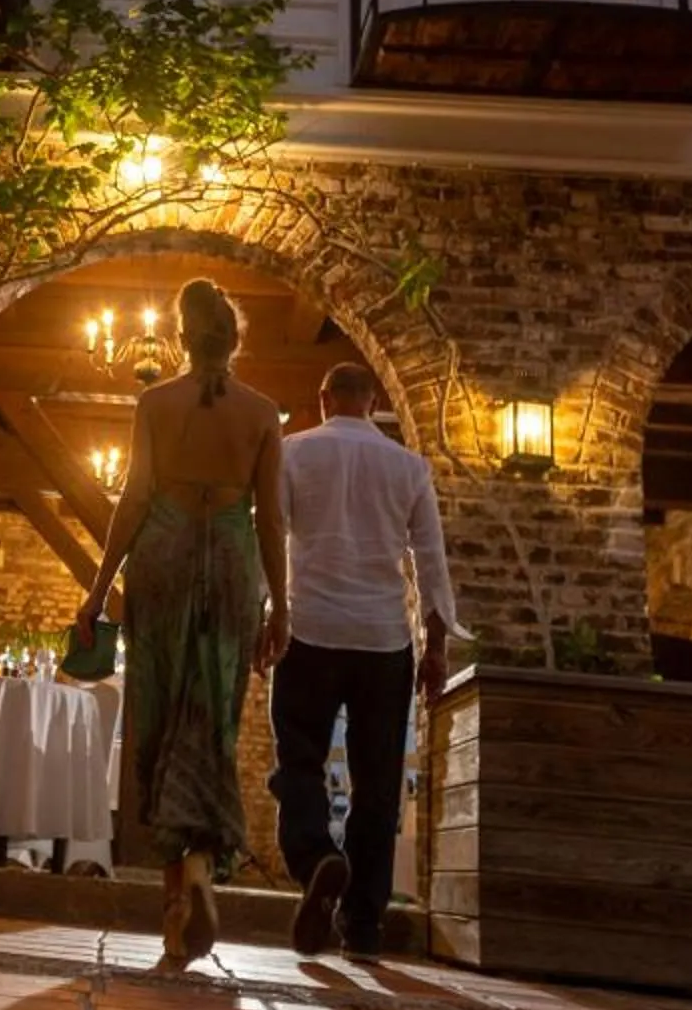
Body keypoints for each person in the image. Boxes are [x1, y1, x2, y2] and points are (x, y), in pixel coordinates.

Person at [72, 277, 288, 970]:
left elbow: (134, 499)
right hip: (230, 556)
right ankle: (199, 868)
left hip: (162, 554)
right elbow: (272, 519)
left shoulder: (154, 403)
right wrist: (281, 604)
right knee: (213, 721)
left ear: (181, 339)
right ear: (234, 339)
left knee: (161, 721)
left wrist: (97, 590)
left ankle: (175, 908)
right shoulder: (262, 414)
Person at [271, 362, 458, 958]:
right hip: (382, 641)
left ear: (323, 397)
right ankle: (364, 925)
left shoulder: (291, 453)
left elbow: (269, 535)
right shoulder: (408, 467)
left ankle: (317, 857)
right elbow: (431, 561)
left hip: (310, 630)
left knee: (299, 761)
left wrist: (264, 616)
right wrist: (437, 647)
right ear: (374, 401)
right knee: (377, 783)